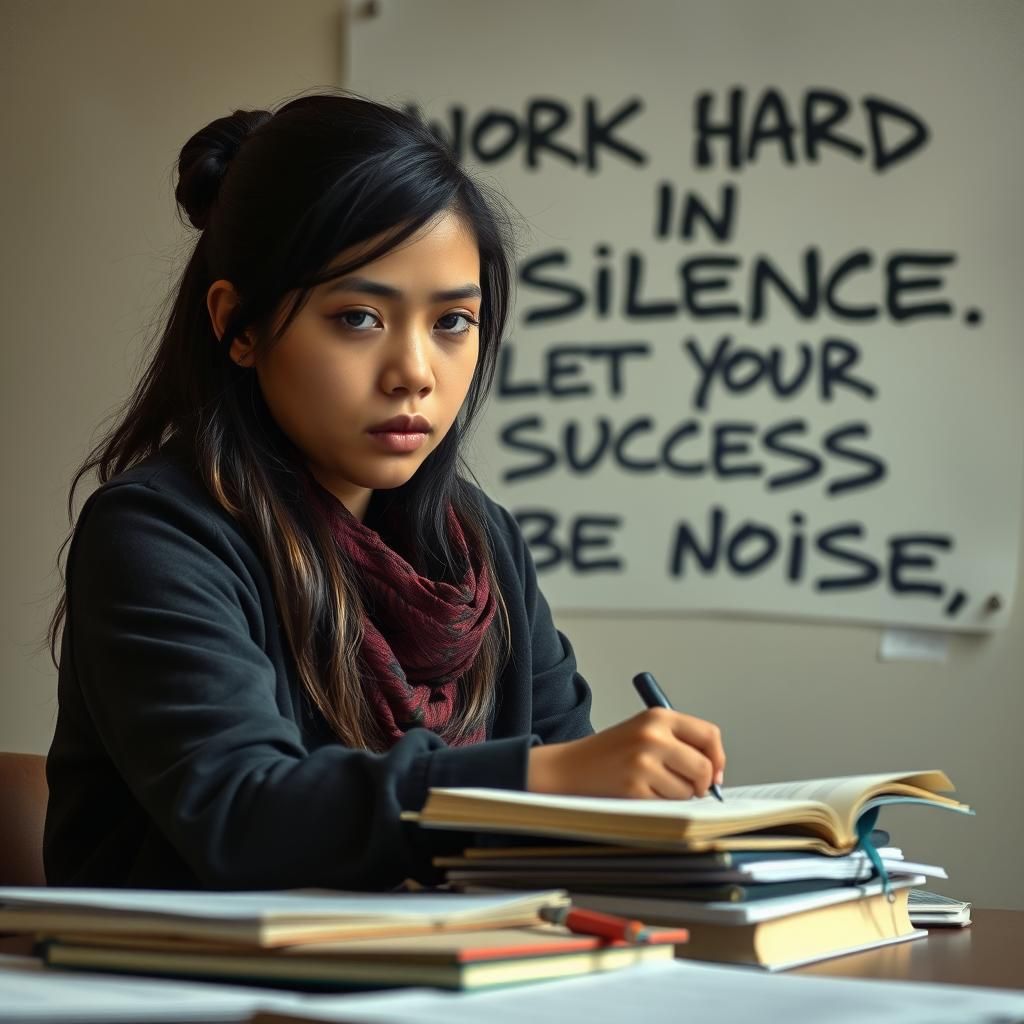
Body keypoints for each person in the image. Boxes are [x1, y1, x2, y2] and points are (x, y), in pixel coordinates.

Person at [44, 93, 726, 891]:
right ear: (239, 326)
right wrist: (542, 781)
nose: (415, 373)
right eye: (361, 318)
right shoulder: (157, 534)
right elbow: (243, 812)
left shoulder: (484, 547)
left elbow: (576, 794)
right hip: (199, 969)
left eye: (453, 322)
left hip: (468, 962)